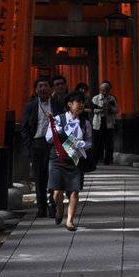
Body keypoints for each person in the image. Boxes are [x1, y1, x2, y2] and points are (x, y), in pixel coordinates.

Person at [46, 88, 91, 230]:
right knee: (57, 191)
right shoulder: (58, 119)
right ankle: (60, 210)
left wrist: (82, 144)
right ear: (69, 104)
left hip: (76, 158)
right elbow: (48, 138)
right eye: (78, 102)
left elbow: (89, 141)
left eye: (83, 102)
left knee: (74, 190)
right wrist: (59, 136)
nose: (81, 105)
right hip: (58, 158)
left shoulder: (85, 123)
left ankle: (70, 221)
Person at [19, 77, 55, 217]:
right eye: (40, 86)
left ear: (50, 89)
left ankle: (53, 204)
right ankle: (41, 208)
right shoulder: (31, 106)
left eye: (46, 85)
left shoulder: (57, 105)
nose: (43, 89)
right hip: (37, 143)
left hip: (53, 144)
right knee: (39, 177)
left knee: (53, 176)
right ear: (35, 90)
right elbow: (25, 127)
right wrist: (30, 144)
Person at [91, 80, 118, 165]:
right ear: (100, 90)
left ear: (109, 90)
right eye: (102, 89)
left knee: (109, 142)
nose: (104, 91)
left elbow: (116, 110)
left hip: (108, 122)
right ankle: (96, 159)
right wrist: (101, 109)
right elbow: (92, 109)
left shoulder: (112, 98)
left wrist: (109, 107)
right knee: (97, 142)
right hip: (98, 123)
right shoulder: (95, 98)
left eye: (106, 89)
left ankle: (108, 159)